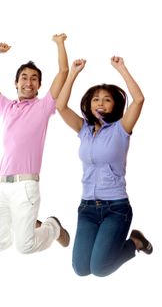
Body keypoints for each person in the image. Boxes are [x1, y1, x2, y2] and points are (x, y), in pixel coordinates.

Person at [56, 56, 153, 277]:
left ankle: (134, 244)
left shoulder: (121, 128)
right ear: (89, 105)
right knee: (81, 269)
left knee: (99, 269)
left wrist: (122, 68)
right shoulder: (84, 129)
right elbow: (60, 106)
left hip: (115, 208)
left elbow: (138, 100)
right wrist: (72, 73)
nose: (100, 103)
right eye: (96, 99)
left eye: (107, 99)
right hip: (88, 207)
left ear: (115, 105)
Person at [0, 37, 70, 254]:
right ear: (16, 82)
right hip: (1, 184)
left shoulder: (44, 107)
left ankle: (52, 227)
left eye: (34, 79)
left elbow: (64, 72)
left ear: (39, 85)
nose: (28, 83)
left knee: (25, 246)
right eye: (24, 78)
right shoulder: (6, 106)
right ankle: (24, 221)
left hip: (26, 185)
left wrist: (59, 43)